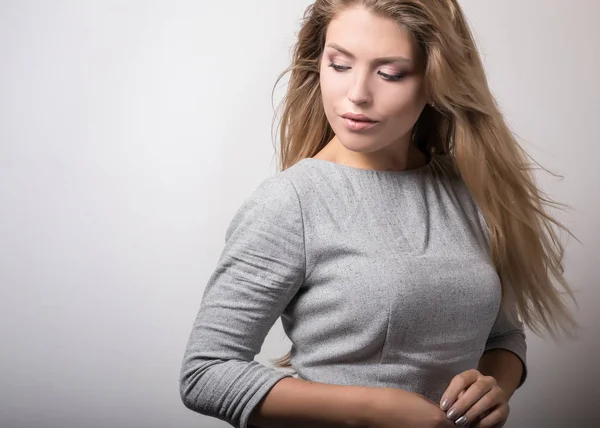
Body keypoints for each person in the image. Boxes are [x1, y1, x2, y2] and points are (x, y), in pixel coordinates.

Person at [179, 1, 578, 427]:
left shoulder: (466, 191)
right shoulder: (290, 202)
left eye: (390, 73)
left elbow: (503, 336)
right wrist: (374, 410)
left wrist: (493, 385)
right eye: (339, 65)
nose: (357, 94)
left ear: (436, 81)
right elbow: (206, 373)